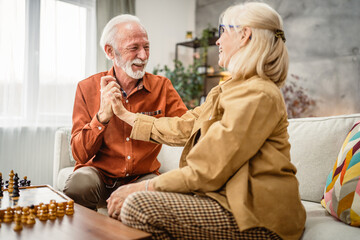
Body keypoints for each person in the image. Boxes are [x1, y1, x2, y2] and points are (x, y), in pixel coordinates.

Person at [107, 2, 306, 240]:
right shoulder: (228, 89)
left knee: (138, 205)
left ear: (245, 35)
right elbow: (184, 127)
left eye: (223, 32)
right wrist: (124, 114)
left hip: (259, 216)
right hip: (225, 200)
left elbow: (208, 168)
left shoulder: (258, 94)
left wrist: (142, 186)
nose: (218, 41)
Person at [63, 14, 187, 210]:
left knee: (161, 197)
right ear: (110, 51)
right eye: (134, 48)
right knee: (79, 184)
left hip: (142, 177)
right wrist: (102, 117)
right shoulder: (87, 87)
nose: (144, 56)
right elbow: (79, 154)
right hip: (98, 176)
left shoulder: (162, 87)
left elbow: (187, 129)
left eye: (146, 47)